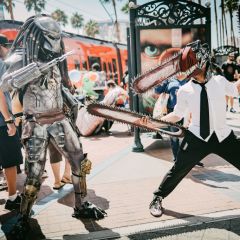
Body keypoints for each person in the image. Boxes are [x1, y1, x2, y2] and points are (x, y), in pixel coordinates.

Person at [0, 15, 105, 227]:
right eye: (50, 36)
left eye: (57, 36)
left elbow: (57, 87)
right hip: (35, 122)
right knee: (34, 175)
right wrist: (31, 72)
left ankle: (81, 204)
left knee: (79, 162)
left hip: (60, 118)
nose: (55, 40)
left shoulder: (54, 59)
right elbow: (4, 85)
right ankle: (24, 216)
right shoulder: (20, 58)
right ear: (38, 35)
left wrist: (73, 102)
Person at [147, 43, 240, 218]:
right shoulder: (184, 90)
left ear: (203, 63)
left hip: (223, 135)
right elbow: (176, 115)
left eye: (191, 65)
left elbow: (235, 90)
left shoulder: (220, 81)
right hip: (197, 137)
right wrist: (155, 122)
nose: (187, 69)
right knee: (178, 169)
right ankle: (157, 198)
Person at [0, 34, 23, 211]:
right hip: (2, 121)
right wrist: (9, 120)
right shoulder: (2, 65)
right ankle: (13, 197)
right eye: (7, 46)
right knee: (10, 161)